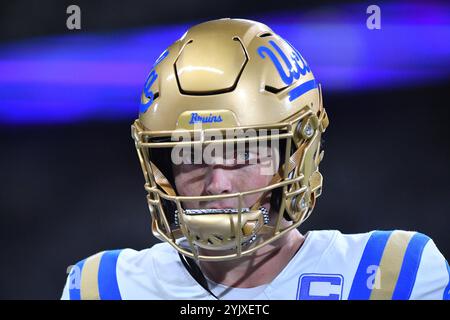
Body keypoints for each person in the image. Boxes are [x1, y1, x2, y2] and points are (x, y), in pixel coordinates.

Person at [61, 18, 449, 300]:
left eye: (243, 153)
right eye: (191, 155)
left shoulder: (393, 274)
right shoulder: (103, 286)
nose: (217, 183)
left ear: (298, 153)